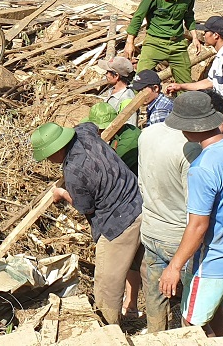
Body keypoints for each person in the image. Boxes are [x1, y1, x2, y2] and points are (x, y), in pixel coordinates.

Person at [158, 91, 223, 337]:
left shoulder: (202, 168)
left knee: (192, 322)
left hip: (213, 261)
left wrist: (174, 267)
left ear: (190, 128)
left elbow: (198, 226)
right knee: (215, 309)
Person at [31, 121, 142, 325]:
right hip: (138, 201)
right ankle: (157, 322)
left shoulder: (74, 172)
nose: (48, 160)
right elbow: (93, 125)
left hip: (117, 222)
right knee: (144, 266)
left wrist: (62, 193)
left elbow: (86, 208)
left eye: (48, 155)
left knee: (107, 285)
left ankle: (109, 329)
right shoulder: (83, 132)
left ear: (57, 149)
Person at [136, 116, 202, 332]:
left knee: (155, 294)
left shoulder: (147, 134)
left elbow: (141, 182)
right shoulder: (191, 148)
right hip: (179, 236)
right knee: (193, 299)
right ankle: (189, 337)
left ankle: (155, 336)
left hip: (151, 229)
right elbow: (196, 207)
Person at [84, 101, 144, 320]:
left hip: (134, 203)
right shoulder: (110, 140)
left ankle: (131, 304)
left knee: (133, 260)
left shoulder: (129, 140)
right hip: (124, 204)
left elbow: (114, 170)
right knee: (130, 260)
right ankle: (129, 304)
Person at [166, 16, 223, 143]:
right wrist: (181, 86)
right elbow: (210, 82)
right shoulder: (222, 56)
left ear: (216, 35)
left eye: (206, 32)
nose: (203, 35)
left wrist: (222, 121)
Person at [124, 0, 201, 84]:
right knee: (141, 81)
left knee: (185, 83)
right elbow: (138, 17)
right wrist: (130, 42)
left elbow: (189, 15)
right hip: (155, 43)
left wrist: (195, 37)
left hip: (177, 44)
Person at [98, 56, 136, 126]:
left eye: (108, 72)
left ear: (116, 76)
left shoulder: (127, 99)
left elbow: (130, 126)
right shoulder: (112, 89)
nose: (106, 74)